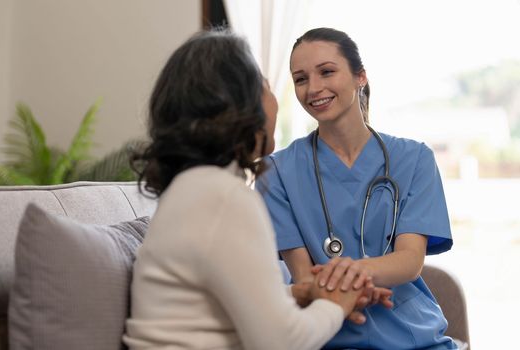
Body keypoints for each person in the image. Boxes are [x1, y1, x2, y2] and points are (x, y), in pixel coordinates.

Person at [123, 29, 392, 350]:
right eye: (265, 84)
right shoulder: (225, 198)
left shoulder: (192, 189)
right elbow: (283, 341)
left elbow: (213, 301)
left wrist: (304, 293)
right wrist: (336, 304)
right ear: (239, 106)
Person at [256, 27, 458, 349]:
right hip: (326, 336)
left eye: (327, 72)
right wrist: (354, 281)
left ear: (359, 76)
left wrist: (351, 272)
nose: (314, 88)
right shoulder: (275, 172)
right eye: (301, 79)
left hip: (411, 337)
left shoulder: (414, 159)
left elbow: (409, 260)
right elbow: (305, 278)